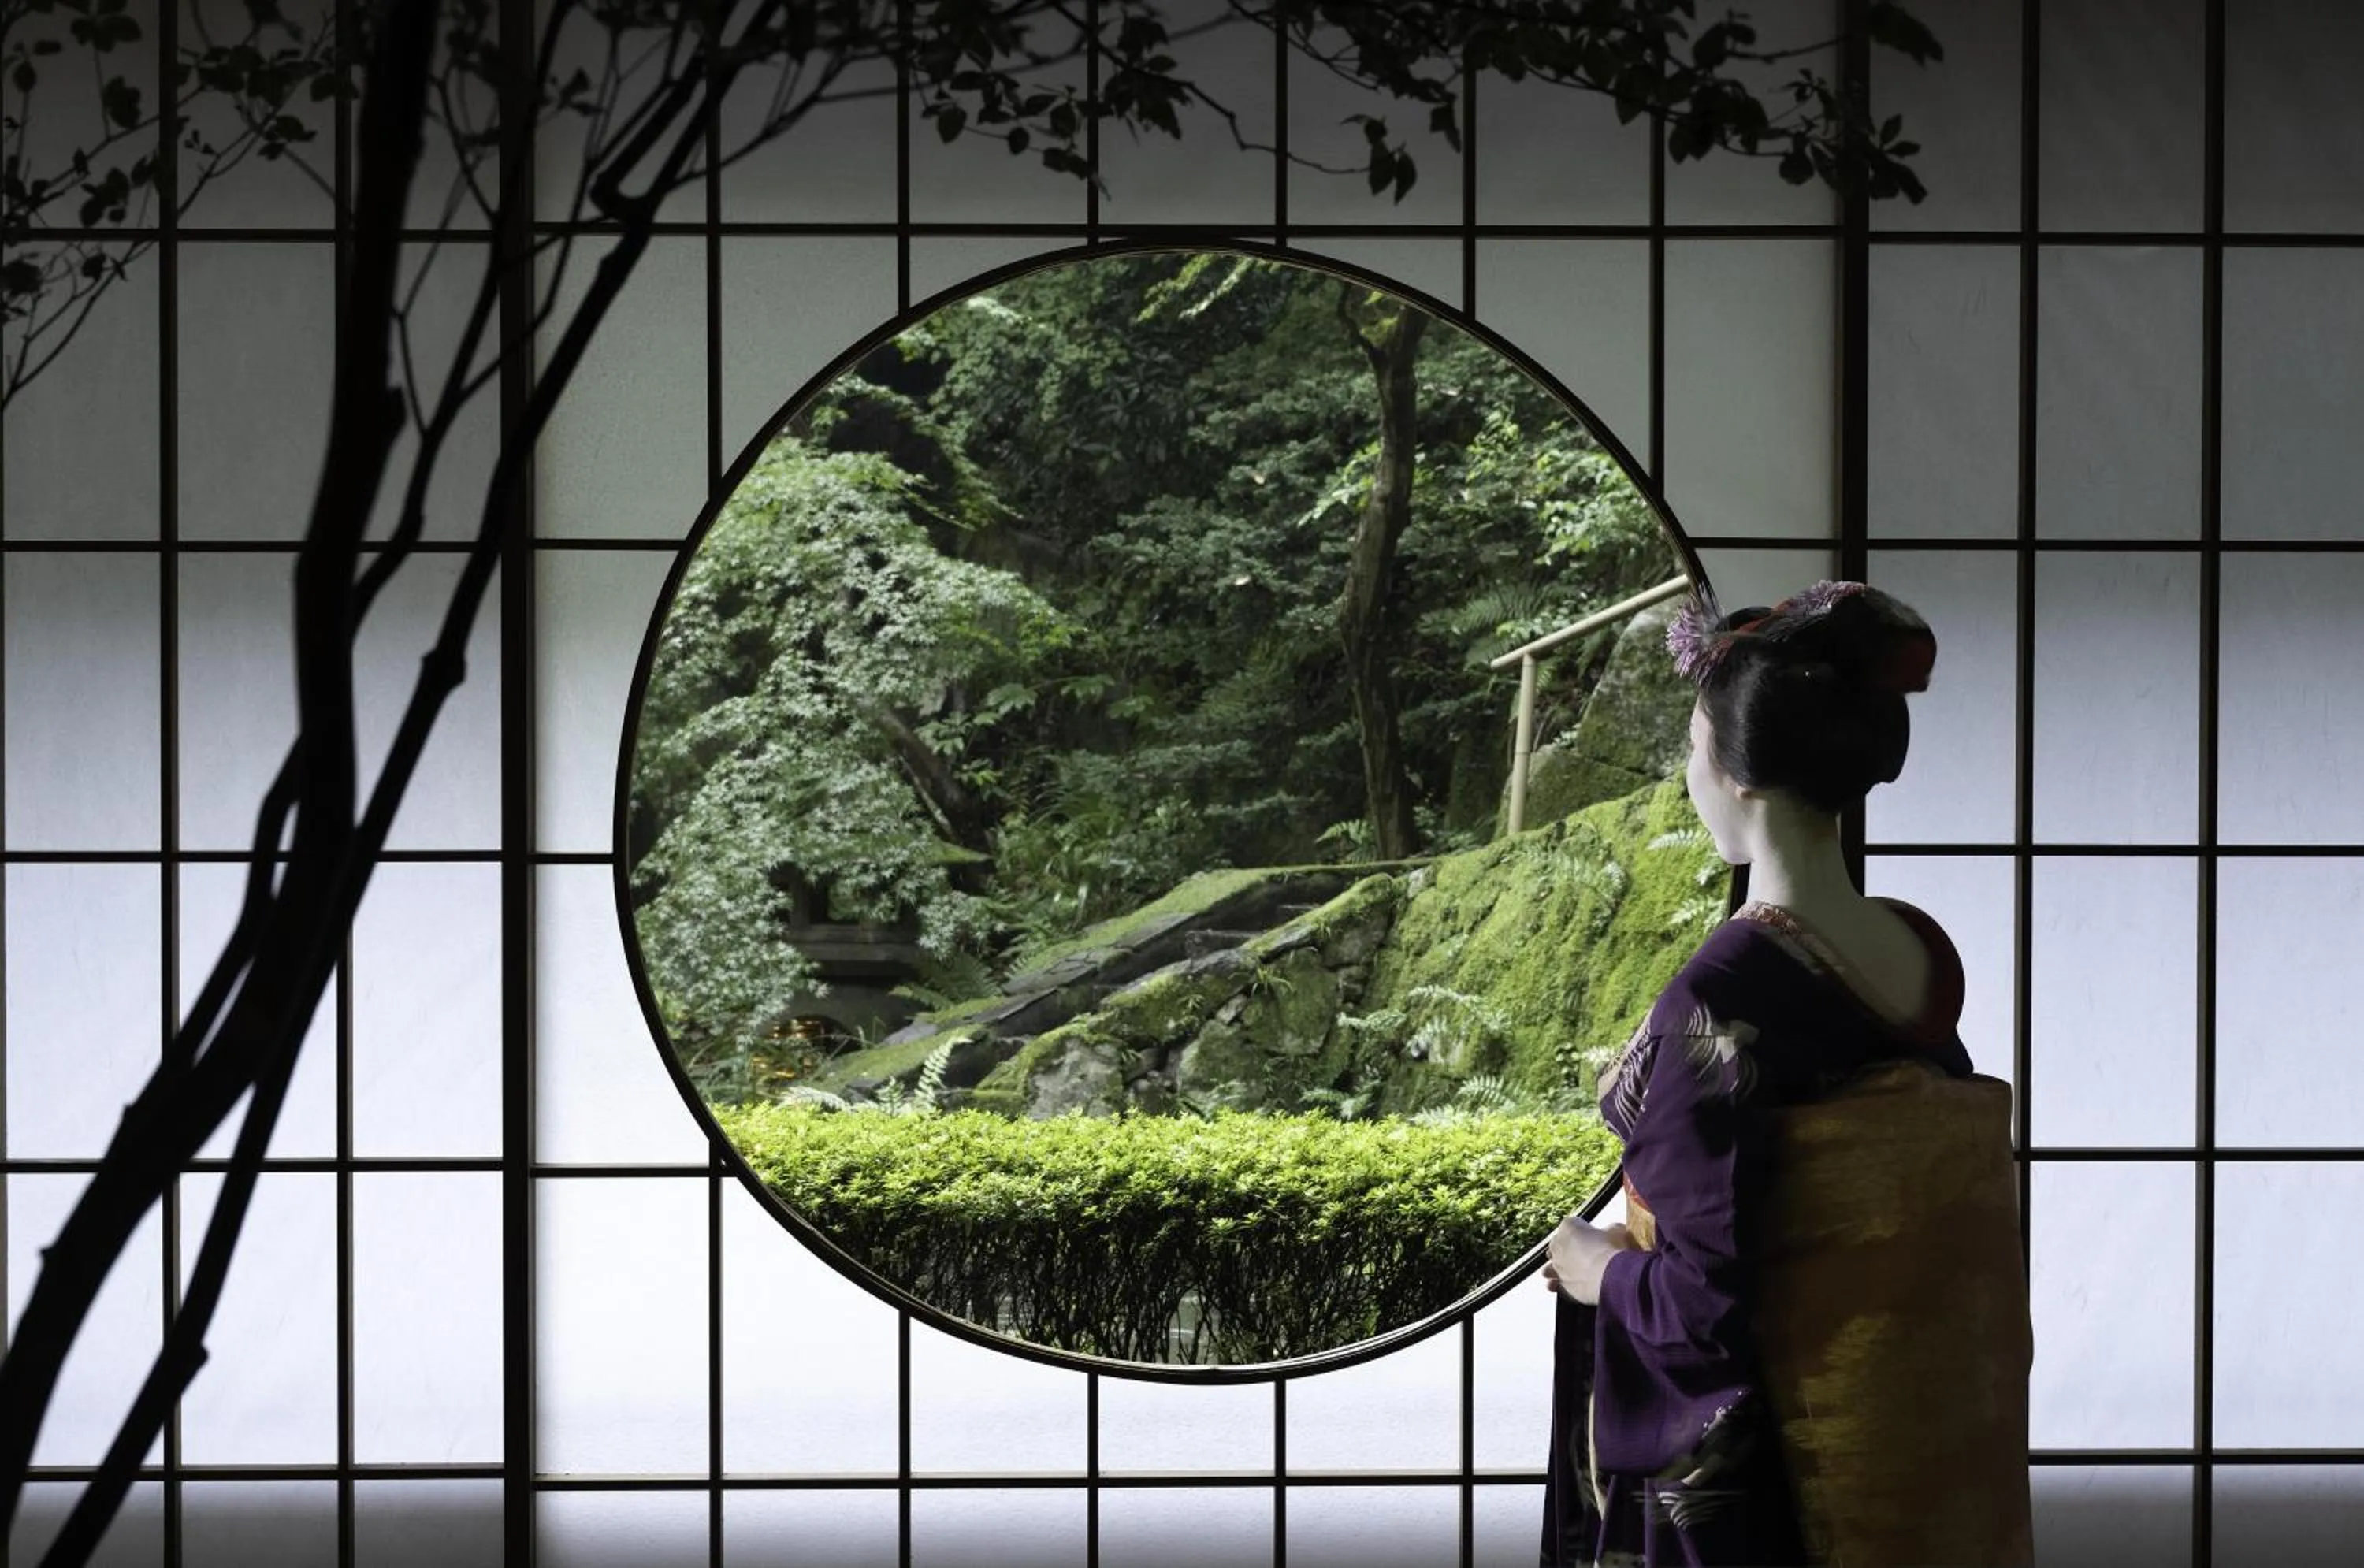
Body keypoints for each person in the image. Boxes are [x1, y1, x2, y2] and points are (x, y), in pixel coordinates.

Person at [1536, 580, 2033, 1567]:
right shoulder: (1916, 949)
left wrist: (1598, 1271)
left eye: (1691, 746)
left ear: (1738, 772)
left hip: (1778, 1486)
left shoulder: (1720, 993)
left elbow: (1703, 1312)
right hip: (1907, 1452)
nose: (1689, 770)